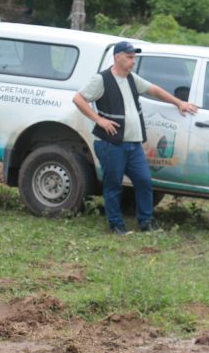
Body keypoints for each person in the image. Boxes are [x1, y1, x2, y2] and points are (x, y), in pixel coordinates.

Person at [73, 41, 197, 234]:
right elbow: (78, 99)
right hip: (111, 144)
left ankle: (146, 222)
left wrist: (179, 102)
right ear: (117, 57)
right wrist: (99, 120)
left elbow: (154, 90)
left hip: (133, 145)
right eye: (129, 57)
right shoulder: (102, 79)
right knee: (113, 185)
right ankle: (116, 224)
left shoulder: (132, 78)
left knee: (144, 181)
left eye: (134, 57)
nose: (133, 61)